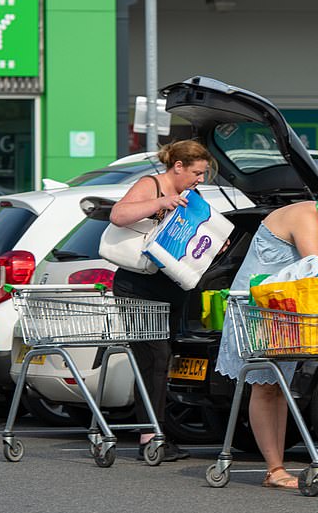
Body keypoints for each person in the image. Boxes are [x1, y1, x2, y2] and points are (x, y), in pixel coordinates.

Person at [214, 176, 318, 488]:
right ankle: (274, 469)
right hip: (258, 306)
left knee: (280, 387)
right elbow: (315, 266)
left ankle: (278, 466)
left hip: (284, 308)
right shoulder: (304, 216)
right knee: (264, 386)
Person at [109, 139, 214, 462]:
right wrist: (161, 203)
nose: (201, 179)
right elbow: (118, 214)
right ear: (178, 167)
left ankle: (155, 432)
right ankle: (150, 437)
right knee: (154, 358)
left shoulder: (189, 195)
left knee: (160, 361)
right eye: (197, 172)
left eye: (204, 174)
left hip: (169, 286)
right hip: (138, 287)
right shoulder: (150, 184)